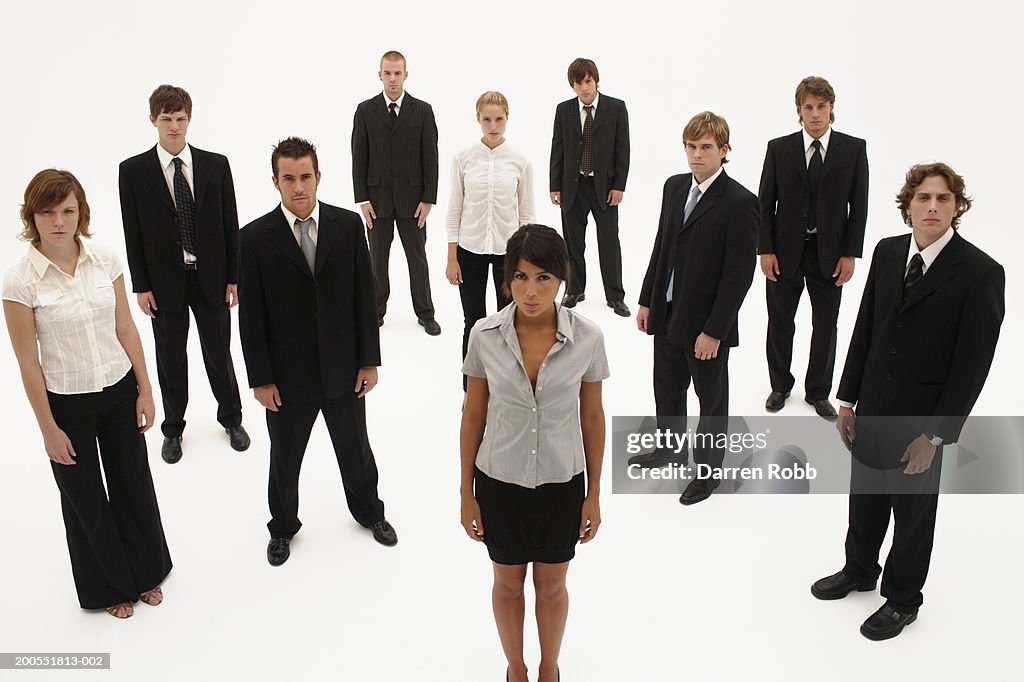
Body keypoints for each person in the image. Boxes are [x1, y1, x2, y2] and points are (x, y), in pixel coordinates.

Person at [813, 163, 1004, 640]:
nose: (933, 206)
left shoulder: (981, 272)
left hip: (922, 423)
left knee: (913, 516)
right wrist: (847, 400)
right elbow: (866, 326)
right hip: (873, 406)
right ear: (908, 206)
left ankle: (902, 598)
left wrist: (936, 435)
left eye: (943, 198)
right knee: (865, 499)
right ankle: (859, 569)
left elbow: (972, 367)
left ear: (957, 207)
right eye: (923, 198)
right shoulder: (887, 251)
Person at [3, 169, 172, 618]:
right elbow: (27, 363)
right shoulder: (20, 282)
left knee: (133, 484)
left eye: (68, 210)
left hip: (119, 391)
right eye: (48, 212)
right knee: (85, 500)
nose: (59, 220)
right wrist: (48, 430)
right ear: (32, 216)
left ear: (81, 213)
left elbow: (125, 327)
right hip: (67, 404)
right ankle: (110, 587)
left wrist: (145, 389)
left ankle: (148, 571)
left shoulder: (105, 260)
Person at [238, 137, 397, 567]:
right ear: (275, 182)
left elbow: (366, 298)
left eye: (305, 176)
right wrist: (260, 379)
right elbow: (250, 318)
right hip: (287, 379)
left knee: (355, 448)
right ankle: (282, 527)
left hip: (344, 370)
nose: (298, 187)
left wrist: (369, 360)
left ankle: (369, 512)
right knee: (285, 458)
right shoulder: (253, 239)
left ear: (318, 177)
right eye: (288, 178)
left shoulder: (347, 227)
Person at [460, 225, 607, 682]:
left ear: (562, 278)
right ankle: (515, 670)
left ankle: (549, 670)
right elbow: (472, 417)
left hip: (561, 484)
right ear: (507, 279)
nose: (530, 290)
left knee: (552, 586)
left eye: (543, 278)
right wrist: (466, 492)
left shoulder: (587, 337)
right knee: (507, 583)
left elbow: (592, 419)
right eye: (520, 277)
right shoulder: (484, 335)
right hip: (499, 482)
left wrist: (594, 493)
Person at [118, 84, 249, 464]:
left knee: (218, 353)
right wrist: (141, 286)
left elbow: (230, 223)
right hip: (164, 282)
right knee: (170, 358)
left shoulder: (215, 165)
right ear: (153, 121)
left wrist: (233, 277)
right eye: (166, 119)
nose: (174, 127)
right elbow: (133, 232)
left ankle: (232, 419)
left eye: (180, 119)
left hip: (210, 278)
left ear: (189, 119)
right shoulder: (133, 172)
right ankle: (173, 429)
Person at [633, 112, 758, 505]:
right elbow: (662, 246)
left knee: (711, 400)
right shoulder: (674, 188)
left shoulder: (740, 202)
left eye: (706, 147)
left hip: (705, 323)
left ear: (724, 151)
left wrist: (715, 330)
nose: (697, 154)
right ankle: (669, 448)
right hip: (667, 309)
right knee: (667, 388)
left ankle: (707, 475)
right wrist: (646, 300)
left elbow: (738, 275)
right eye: (691, 146)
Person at [758, 76, 869, 420]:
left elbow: (859, 206)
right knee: (780, 322)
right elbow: (765, 203)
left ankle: (818, 392)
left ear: (831, 108)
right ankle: (780, 385)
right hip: (784, 252)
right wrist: (765, 250)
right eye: (809, 107)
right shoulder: (780, 148)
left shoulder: (853, 149)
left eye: (822, 106)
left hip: (830, 255)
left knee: (826, 324)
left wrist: (850, 253)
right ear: (799, 111)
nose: (816, 114)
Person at [446, 91, 536, 388]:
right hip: (469, 251)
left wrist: (527, 262)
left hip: (507, 255)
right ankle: (471, 387)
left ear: (507, 119)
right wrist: (451, 257)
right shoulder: (463, 159)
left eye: (499, 119)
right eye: (487, 119)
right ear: (478, 119)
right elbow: (455, 208)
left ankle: (505, 386)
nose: (493, 125)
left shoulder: (520, 162)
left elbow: (526, 215)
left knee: (508, 323)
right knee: (472, 322)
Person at [352, 50, 441, 334]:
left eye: (397, 73)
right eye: (387, 73)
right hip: (376, 202)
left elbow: (431, 157)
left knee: (418, 259)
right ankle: (375, 312)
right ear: (380, 75)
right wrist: (362, 199)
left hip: (413, 201)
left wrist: (428, 199)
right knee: (376, 260)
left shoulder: (422, 110)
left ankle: (426, 313)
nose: (392, 79)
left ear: (406, 74)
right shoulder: (365, 111)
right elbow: (358, 157)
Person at [549, 57, 631, 317]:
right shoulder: (564, 110)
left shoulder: (616, 108)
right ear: (572, 86)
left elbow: (623, 149)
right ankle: (575, 289)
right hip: (573, 186)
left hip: (604, 187)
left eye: (588, 81)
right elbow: (557, 148)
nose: (584, 87)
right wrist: (554, 185)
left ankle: (615, 296)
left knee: (609, 241)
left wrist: (619, 186)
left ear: (596, 80)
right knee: (573, 242)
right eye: (578, 83)